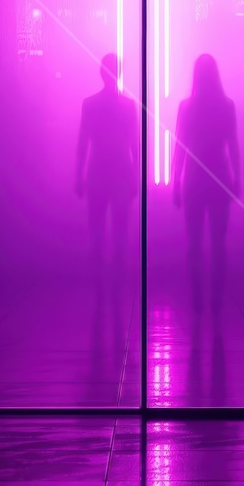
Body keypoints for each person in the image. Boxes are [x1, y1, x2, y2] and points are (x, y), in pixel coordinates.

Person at [171, 54, 241, 315]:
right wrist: (237, 178)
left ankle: (197, 297)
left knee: (194, 241)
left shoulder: (186, 107)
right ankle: (216, 298)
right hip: (219, 175)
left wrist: (176, 181)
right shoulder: (227, 106)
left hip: (194, 178)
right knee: (218, 242)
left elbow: (180, 145)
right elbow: (232, 143)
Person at [75, 53, 139, 308]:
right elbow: (133, 143)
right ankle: (116, 282)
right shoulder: (127, 105)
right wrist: (136, 175)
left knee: (97, 231)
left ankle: (101, 282)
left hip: (98, 173)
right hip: (120, 173)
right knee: (119, 230)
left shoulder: (90, 104)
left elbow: (83, 141)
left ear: (102, 72)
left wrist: (78, 174)